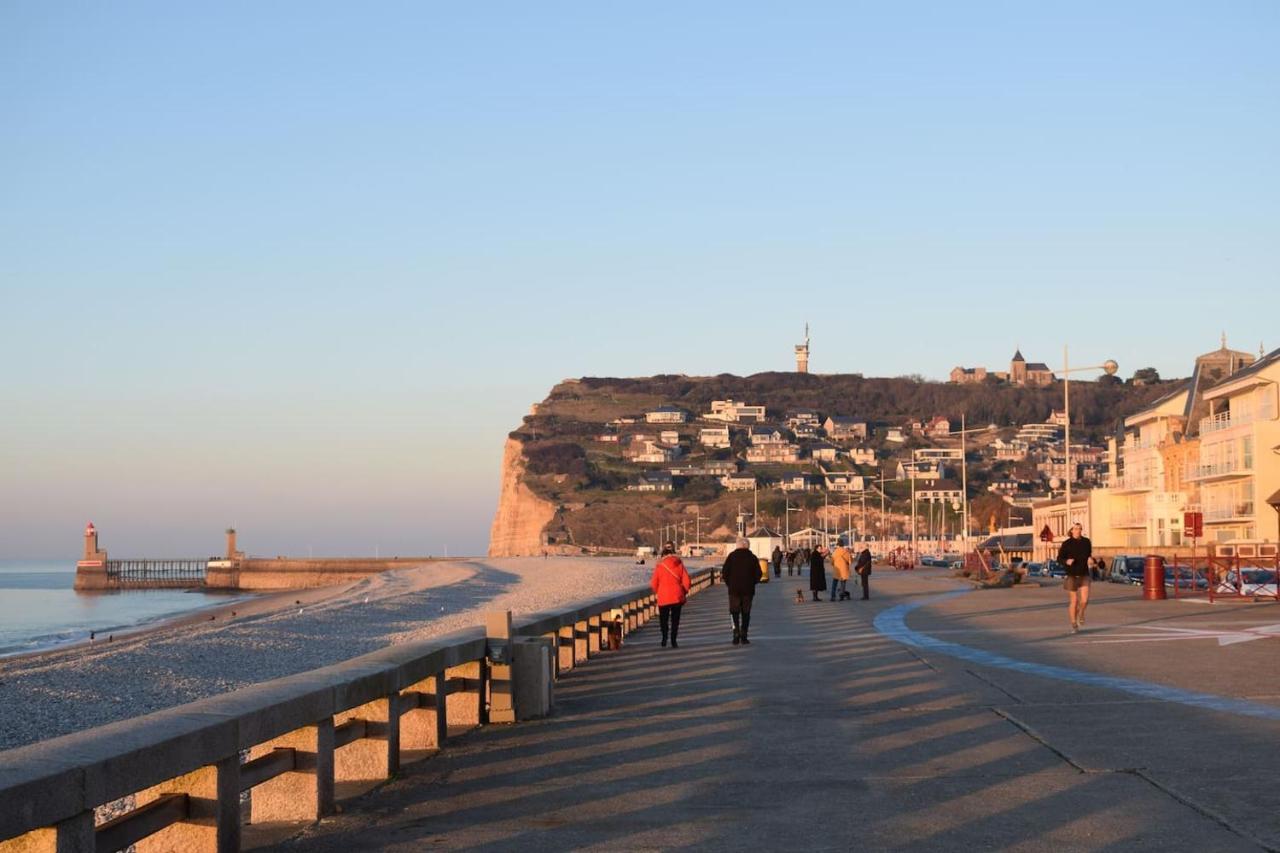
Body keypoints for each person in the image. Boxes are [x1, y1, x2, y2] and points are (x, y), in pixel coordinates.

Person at [649, 541, 691, 648]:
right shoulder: (679, 563)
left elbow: (653, 583)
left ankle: (664, 638)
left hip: (663, 597)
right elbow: (687, 581)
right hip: (677, 596)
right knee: (675, 620)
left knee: (664, 619)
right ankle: (673, 640)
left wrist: (658, 591)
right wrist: (683, 592)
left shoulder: (659, 566)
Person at [722, 537, 761, 645]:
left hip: (734, 590)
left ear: (737, 545)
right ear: (748, 546)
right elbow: (759, 574)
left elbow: (725, 572)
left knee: (734, 612)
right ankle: (744, 635)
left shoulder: (731, 556)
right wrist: (753, 582)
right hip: (748, 590)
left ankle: (735, 633)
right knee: (746, 613)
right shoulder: (752, 558)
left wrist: (729, 584)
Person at [1057, 523, 1093, 632]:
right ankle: (1074, 624)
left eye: (1079, 529)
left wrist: (1091, 559)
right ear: (1072, 531)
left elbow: (1088, 554)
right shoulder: (1067, 544)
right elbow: (1059, 558)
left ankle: (1081, 613)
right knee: (1074, 601)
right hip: (1072, 574)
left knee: (1085, 600)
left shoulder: (1086, 542)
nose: (1078, 531)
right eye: (1075, 529)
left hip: (1084, 574)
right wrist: (1066, 561)